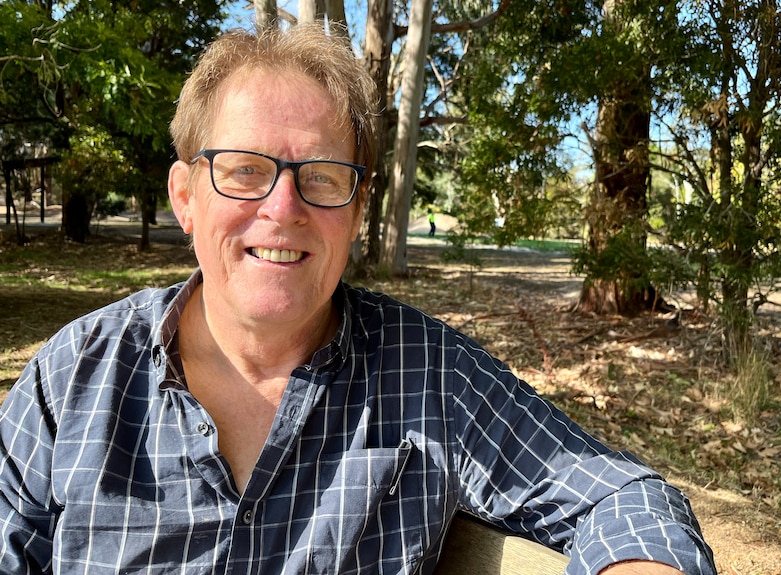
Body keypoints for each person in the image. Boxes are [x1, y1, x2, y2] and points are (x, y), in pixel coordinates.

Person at [0, 23, 716, 575]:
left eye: (321, 176)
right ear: (186, 197)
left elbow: (622, 495)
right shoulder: (75, 379)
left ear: (357, 208)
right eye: (244, 171)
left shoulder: (431, 376)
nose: (283, 208)